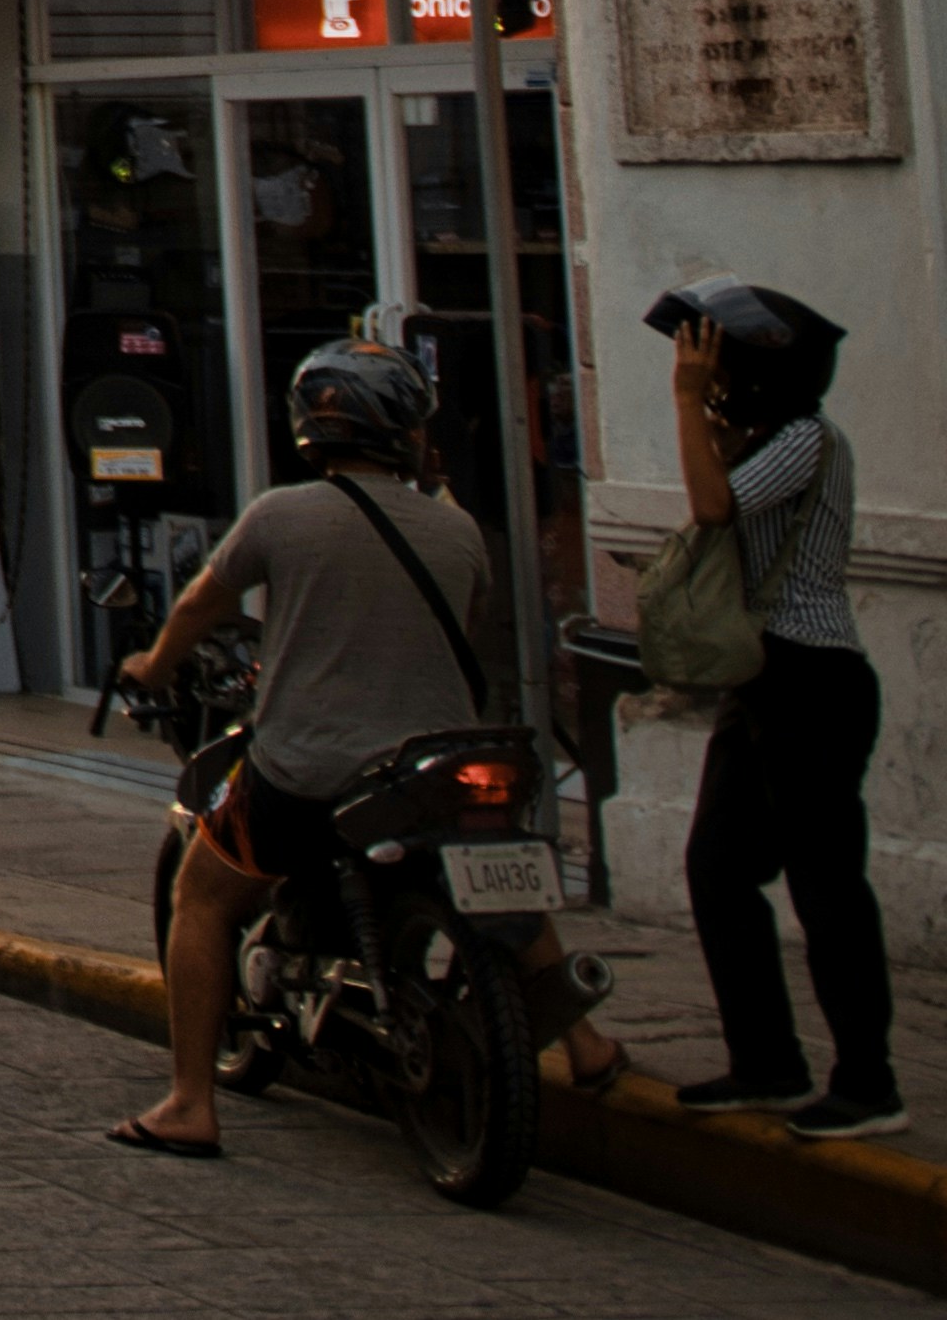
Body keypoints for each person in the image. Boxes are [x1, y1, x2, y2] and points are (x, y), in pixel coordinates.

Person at [103, 340, 622, 1158]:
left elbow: (204, 601)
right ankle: (587, 1043)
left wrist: (152, 663)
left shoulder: (280, 514)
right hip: (437, 762)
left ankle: (188, 1102)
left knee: (202, 895)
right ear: (407, 431)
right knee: (498, 866)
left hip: (311, 772)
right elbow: (469, 622)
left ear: (313, 425)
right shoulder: (456, 531)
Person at [666, 278, 899, 1136]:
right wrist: (708, 412)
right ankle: (765, 1059)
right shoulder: (761, 436)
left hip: (814, 679)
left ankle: (870, 1082)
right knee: (719, 868)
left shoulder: (807, 439)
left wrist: (690, 399)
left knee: (826, 881)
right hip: (761, 678)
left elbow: (710, 507)